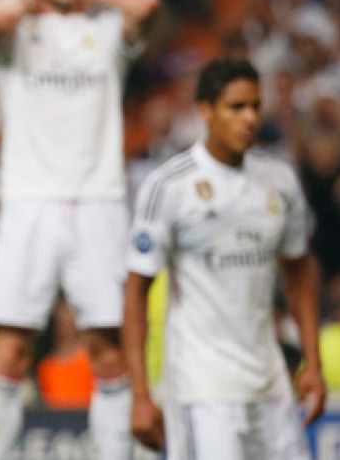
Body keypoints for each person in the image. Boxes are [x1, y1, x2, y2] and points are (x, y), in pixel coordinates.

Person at [0, 0, 160, 460]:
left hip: (100, 200)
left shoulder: (105, 30)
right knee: (10, 351)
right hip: (30, 201)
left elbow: (147, 4)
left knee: (107, 352)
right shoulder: (15, 37)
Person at [123, 57, 325, 459]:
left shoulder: (280, 180)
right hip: (203, 390)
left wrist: (314, 365)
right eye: (236, 107)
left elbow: (300, 275)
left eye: (255, 106)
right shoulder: (170, 186)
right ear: (206, 111)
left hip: (271, 384)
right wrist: (141, 394)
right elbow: (135, 292)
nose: (249, 118)